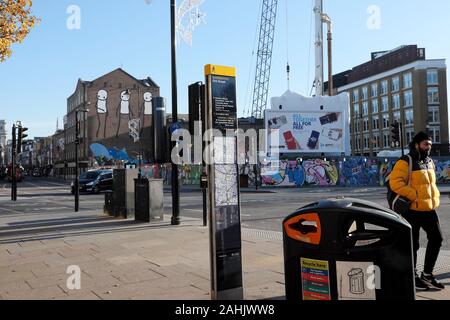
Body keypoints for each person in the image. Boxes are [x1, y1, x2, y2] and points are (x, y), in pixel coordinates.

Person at [390, 131, 444, 290]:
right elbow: (395, 183)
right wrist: (414, 195)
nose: (428, 147)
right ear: (416, 144)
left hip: (429, 209)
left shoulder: (429, 161)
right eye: (425, 144)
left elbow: (430, 185)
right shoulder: (406, 161)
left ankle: (427, 275)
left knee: (437, 239)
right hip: (412, 210)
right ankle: (412, 276)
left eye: (430, 145)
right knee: (412, 245)